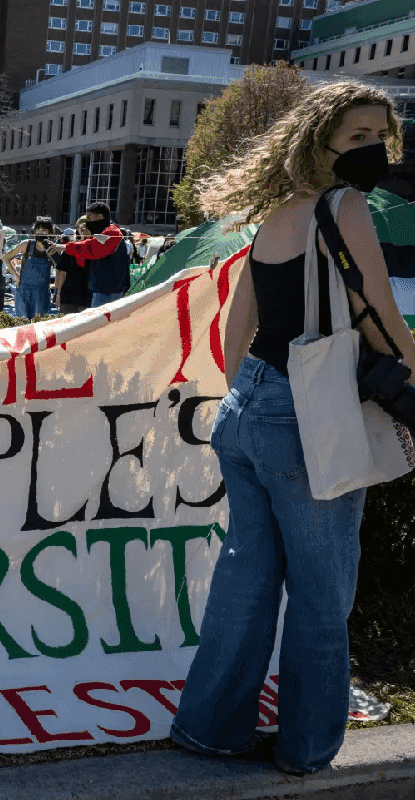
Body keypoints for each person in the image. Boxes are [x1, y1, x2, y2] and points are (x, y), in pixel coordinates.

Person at [170, 80, 415, 777]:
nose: (374, 150)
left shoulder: (276, 211)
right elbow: (385, 316)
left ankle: (210, 728)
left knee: (245, 580)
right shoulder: (347, 206)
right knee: (322, 591)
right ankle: (306, 749)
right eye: (360, 137)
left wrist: (251, 389)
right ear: (324, 141)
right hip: (309, 417)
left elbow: (233, 328)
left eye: (381, 138)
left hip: (248, 408)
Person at [6, 216, 57, 318]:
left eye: (43, 230)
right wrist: (16, 275)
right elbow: (6, 258)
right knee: (23, 324)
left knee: (39, 325)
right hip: (24, 291)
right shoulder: (27, 244)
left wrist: (56, 285)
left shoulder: (53, 248)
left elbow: (60, 267)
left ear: (50, 232)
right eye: (38, 230)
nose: (40, 233)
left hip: (42, 293)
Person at [54, 224, 92, 313]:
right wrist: (58, 294)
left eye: (87, 229)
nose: (85, 232)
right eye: (82, 229)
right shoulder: (69, 249)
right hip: (68, 296)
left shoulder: (96, 250)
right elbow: (62, 272)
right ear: (78, 230)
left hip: (87, 297)